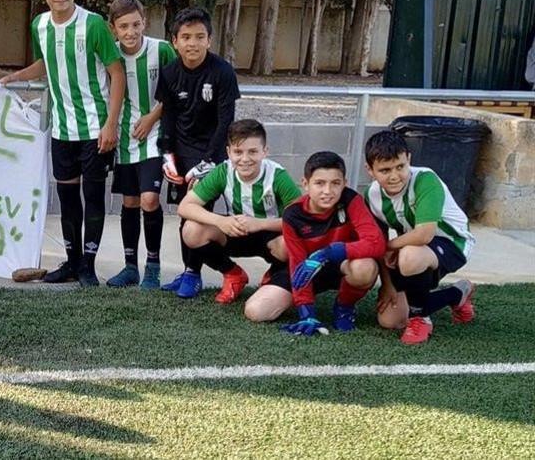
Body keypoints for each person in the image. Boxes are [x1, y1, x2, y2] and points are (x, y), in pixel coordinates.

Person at [0, 0, 125, 287]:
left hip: (95, 129)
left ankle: (88, 265)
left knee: (93, 197)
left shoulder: (94, 24)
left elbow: (116, 72)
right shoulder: (39, 25)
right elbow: (45, 62)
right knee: (68, 199)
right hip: (62, 130)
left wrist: (111, 124)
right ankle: (71, 263)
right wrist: (15, 77)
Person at [244, 151, 385, 333]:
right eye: (319, 183)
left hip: (340, 264)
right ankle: (306, 311)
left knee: (365, 268)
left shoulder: (351, 200)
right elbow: (297, 263)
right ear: (305, 184)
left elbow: (376, 243)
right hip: (306, 268)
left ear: (345, 183)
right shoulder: (293, 214)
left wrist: (329, 252)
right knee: (256, 311)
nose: (328, 191)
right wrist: (306, 311)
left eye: (335, 183)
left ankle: (344, 307)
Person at [154, 8, 241, 298]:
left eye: (199, 37)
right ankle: (189, 270)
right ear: (175, 41)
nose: (193, 43)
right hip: (182, 151)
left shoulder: (222, 72)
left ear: (210, 40)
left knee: (198, 215)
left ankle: (194, 273)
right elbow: (168, 117)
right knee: (184, 214)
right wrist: (167, 155)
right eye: (186, 37)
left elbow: (225, 121)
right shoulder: (169, 73)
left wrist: (209, 163)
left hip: (211, 153)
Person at [363, 130, 476, 345]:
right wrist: (387, 284)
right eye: (385, 170)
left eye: (400, 167)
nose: (394, 176)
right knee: (390, 321)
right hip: (409, 248)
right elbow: (377, 243)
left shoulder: (425, 180)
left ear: (409, 159)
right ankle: (457, 293)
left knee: (410, 256)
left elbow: (424, 234)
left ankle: (420, 319)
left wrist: (390, 245)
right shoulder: (371, 195)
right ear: (370, 170)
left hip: (452, 243)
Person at [176, 119, 300, 303]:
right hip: (237, 230)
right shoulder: (223, 171)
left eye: (253, 152)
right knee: (191, 230)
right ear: (228, 152)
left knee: (291, 244)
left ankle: (274, 275)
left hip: (271, 233)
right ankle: (233, 274)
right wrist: (221, 221)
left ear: (265, 151)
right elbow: (185, 206)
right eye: (238, 152)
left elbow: (301, 220)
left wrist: (259, 224)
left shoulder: (277, 176)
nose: (245, 159)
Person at [104, 0, 176, 289]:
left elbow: (175, 89)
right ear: (114, 29)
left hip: (154, 135)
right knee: (131, 201)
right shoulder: (111, 56)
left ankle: (154, 266)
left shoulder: (161, 50)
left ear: (144, 22)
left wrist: (152, 117)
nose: (131, 31)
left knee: (149, 199)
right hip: (124, 138)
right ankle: (130, 266)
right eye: (124, 26)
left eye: (136, 24)